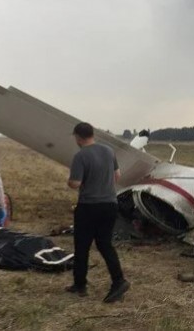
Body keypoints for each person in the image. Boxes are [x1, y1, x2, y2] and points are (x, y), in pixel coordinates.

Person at [66, 121, 130, 303]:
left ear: (78, 137)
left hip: (88, 206)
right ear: (92, 135)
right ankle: (118, 280)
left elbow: (75, 183)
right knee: (105, 244)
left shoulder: (80, 156)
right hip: (110, 205)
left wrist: (70, 181)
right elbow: (117, 175)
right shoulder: (109, 151)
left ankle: (80, 285)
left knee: (82, 245)